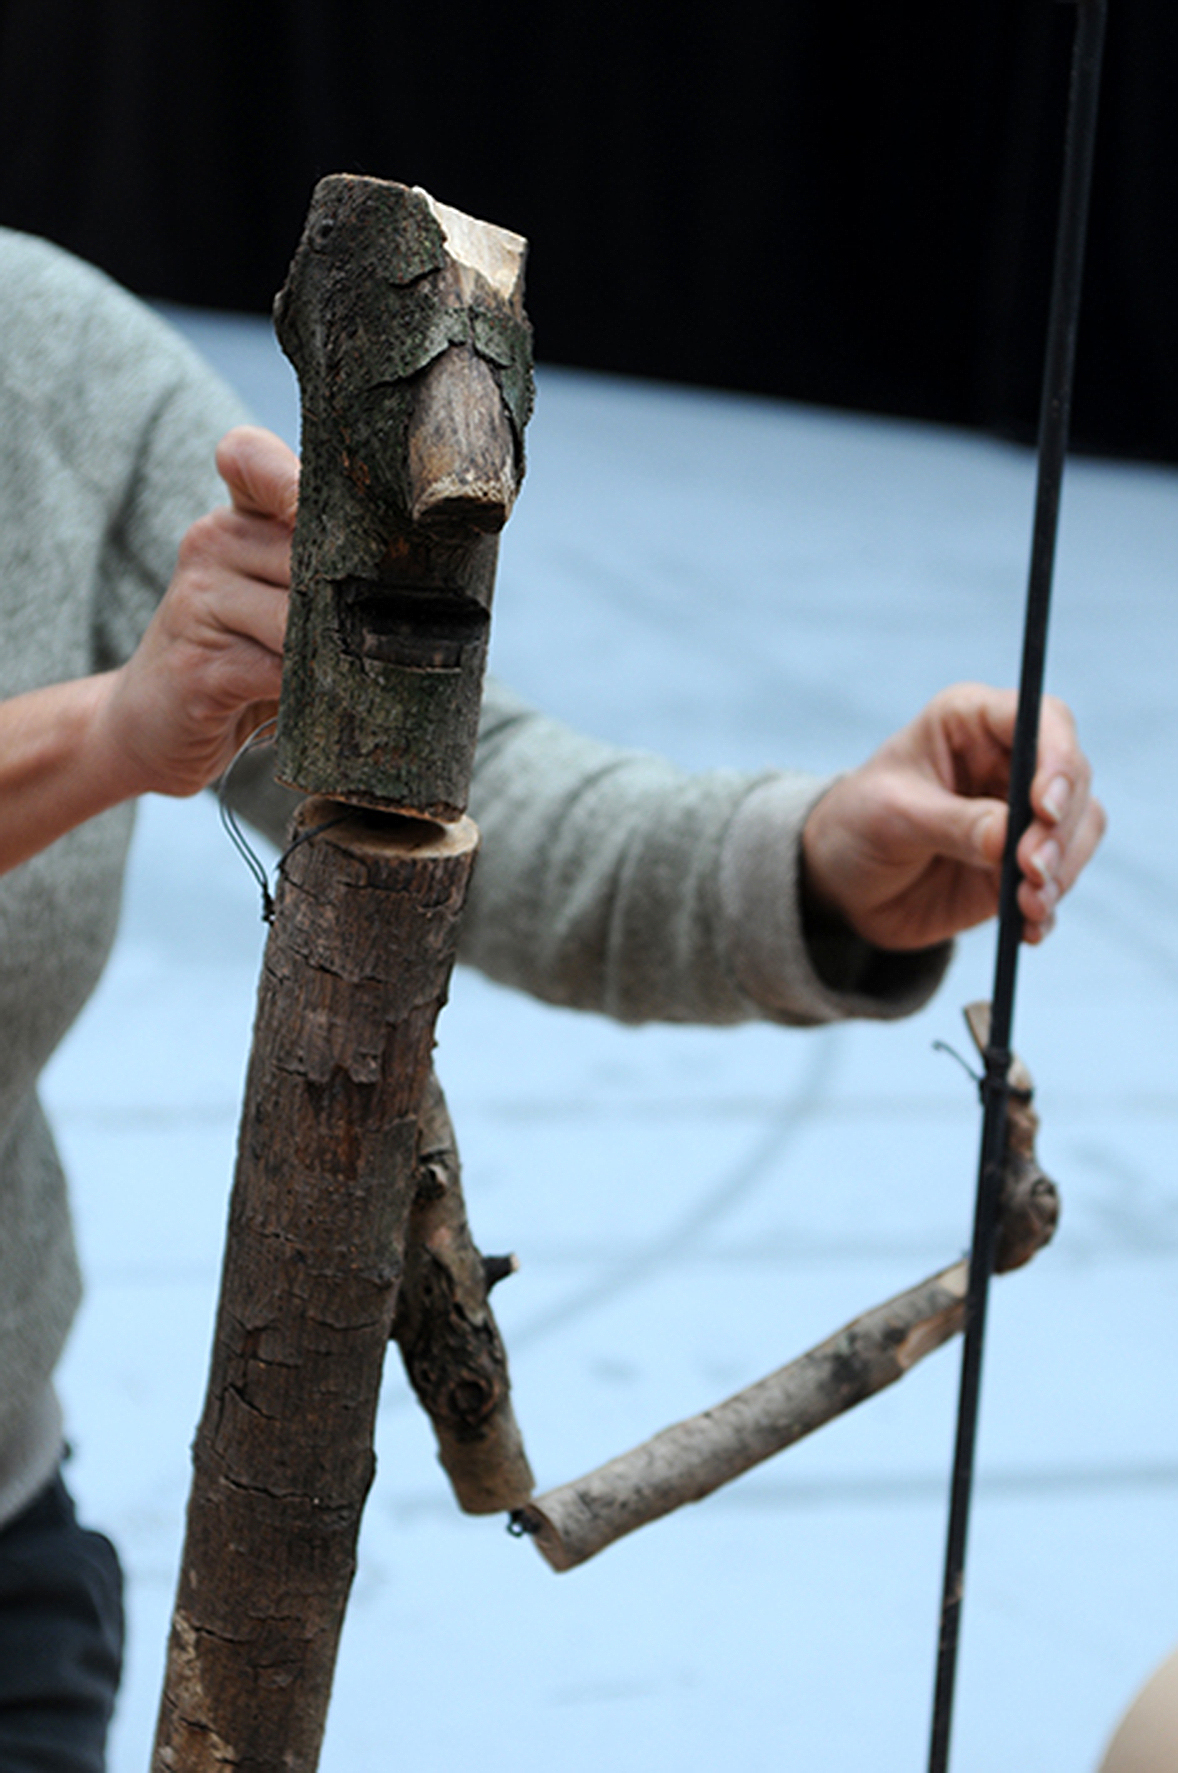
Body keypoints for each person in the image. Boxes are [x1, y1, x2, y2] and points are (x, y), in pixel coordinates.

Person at [0, 226, 1103, 1771]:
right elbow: (140, 718)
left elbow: (463, 777)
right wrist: (106, 731)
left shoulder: (39, 355)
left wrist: (811, 860)